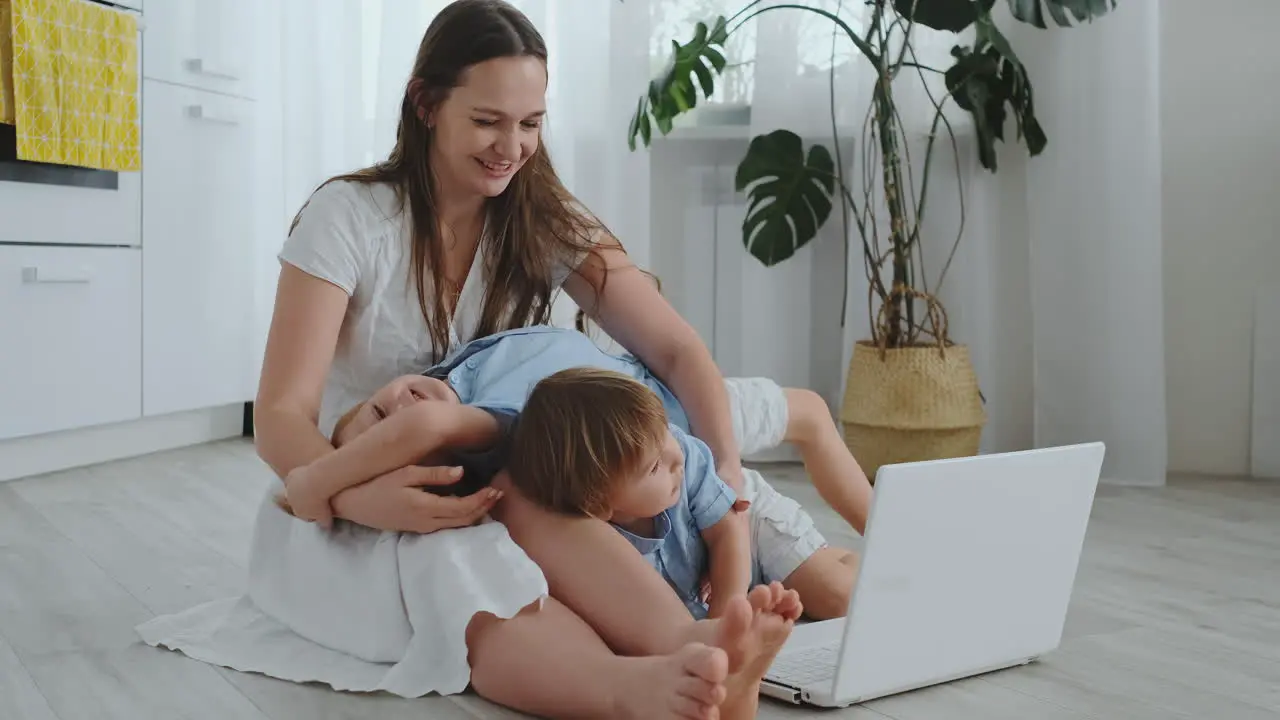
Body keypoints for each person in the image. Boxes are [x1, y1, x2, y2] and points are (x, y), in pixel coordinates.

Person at [227, 0, 801, 717]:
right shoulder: (347, 218)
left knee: (529, 502)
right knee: (469, 558)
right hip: (352, 491)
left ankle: (696, 646)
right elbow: (281, 415)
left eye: (530, 123)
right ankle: (634, 689)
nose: (512, 146)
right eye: (488, 121)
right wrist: (349, 496)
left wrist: (726, 468)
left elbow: (678, 349)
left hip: (497, 486)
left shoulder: (542, 220)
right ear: (426, 104)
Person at [280, 325, 865, 620]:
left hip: (675, 433)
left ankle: (902, 543)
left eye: (380, 410)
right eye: (386, 435)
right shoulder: (506, 441)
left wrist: (315, 484)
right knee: (832, 597)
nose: (404, 408)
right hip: (662, 457)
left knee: (839, 585)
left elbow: (420, 427)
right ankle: (891, 558)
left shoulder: (474, 395)